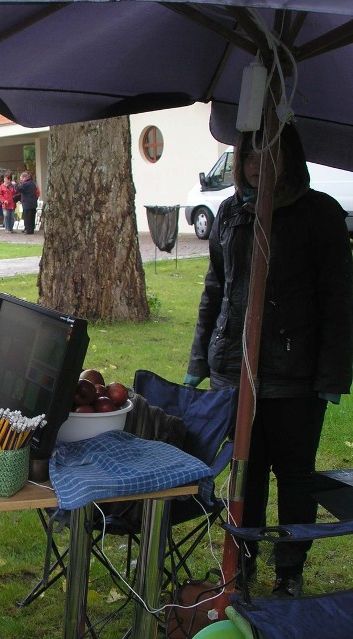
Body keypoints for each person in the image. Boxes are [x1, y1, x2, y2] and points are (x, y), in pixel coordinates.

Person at [185, 124, 352, 597]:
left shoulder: (320, 215)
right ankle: (244, 564)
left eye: (269, 155)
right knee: (246, 470)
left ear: (290, 159)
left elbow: (337, 300)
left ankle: (290, 572)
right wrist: (201, 358)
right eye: (250, 156)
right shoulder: (230, 213)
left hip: (296, 378)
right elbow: (215, 289)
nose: (258, 165)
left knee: (295, 476)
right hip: (236, 372)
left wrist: (332, 374)